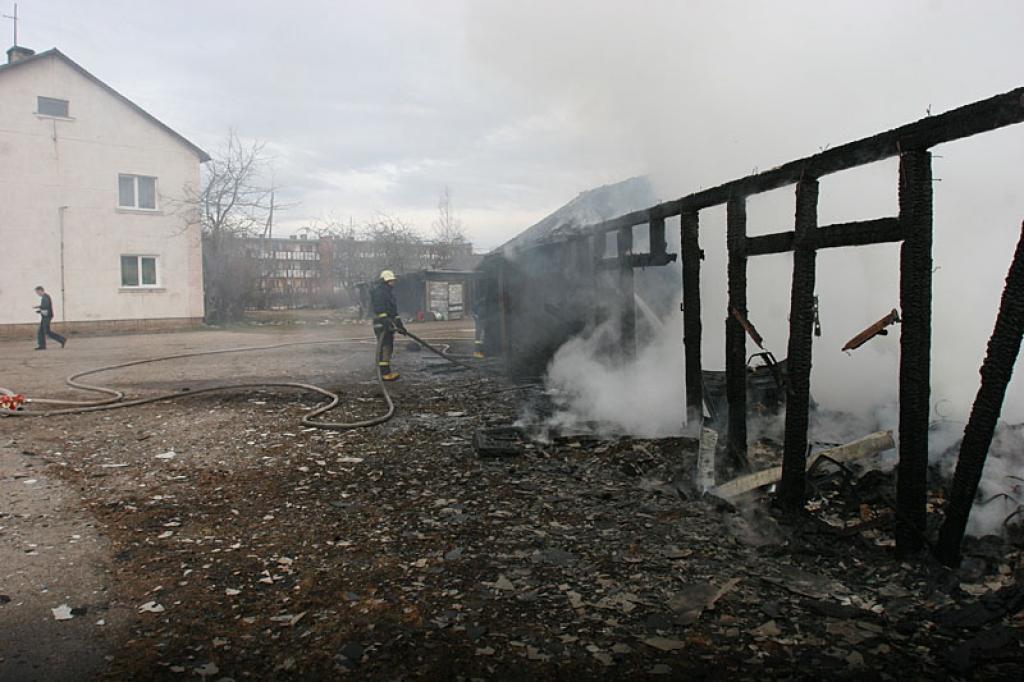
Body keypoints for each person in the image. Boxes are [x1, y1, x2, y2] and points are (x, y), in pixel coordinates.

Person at [369, 270, 405, 381]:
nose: (393, 282)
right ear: (385, 281)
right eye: (391, 280)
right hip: (381, 324)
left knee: (388, 346)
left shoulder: (388, 293)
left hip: (387, 324)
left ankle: (385, 371)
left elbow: (393, 312)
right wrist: (385, 320)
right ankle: (384, 373)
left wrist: (400, 325)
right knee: (385, 347)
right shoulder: (380, 292)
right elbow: (379, 309)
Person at [33, 286, 66, 351]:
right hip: (46, 316)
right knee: (41, 332)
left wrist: (40, 310)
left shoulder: (45, 297)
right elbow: (45, 306)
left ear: (40, 291)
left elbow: (46, 306)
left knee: (46, 332)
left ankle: (62, 339)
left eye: (37, 292)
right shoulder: (45, 297)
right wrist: (39, 307)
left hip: (47, 317)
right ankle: (42, 346)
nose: (37, 294)